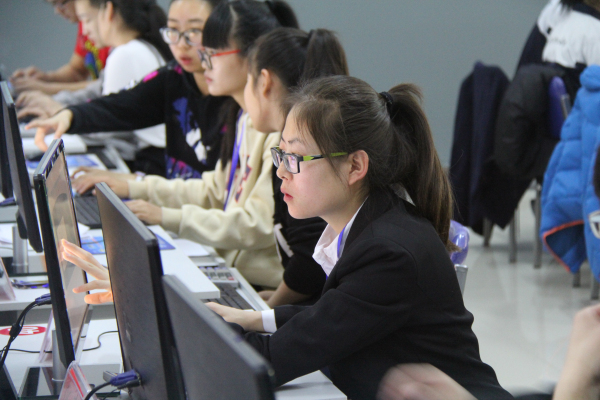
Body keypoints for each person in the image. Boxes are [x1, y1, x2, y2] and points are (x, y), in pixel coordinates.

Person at [201, 75, 512, 400]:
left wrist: (194, 324)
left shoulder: (388, 253)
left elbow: (267, 362)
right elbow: (332, 313)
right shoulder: (373, 223)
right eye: (281, 153)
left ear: (354, 166)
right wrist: (254, 318)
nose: (281, 171)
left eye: (295, 158)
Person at [27, 0, 228, 179]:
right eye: (173, 30)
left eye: (194, 31)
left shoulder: (231, 96)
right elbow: (120, 104)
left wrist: (135, 185)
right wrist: (70, 115)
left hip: (172, 189)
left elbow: (212, 194)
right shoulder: (173, 75)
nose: (182, 44)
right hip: (172, 194)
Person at [244, 27, 348, 305]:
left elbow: (309, 263)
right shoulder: (292, 153)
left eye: (247, 81)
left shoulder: (306, 161)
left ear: (264, 81)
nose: (282, 171)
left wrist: (270, 311)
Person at [11, 0, 110, 95]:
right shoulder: (85, 27)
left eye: (60, 3)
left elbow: (106, 84)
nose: (57, 11)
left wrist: (46, 89)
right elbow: (77, 71)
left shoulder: (107, 29)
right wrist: (47, 78)